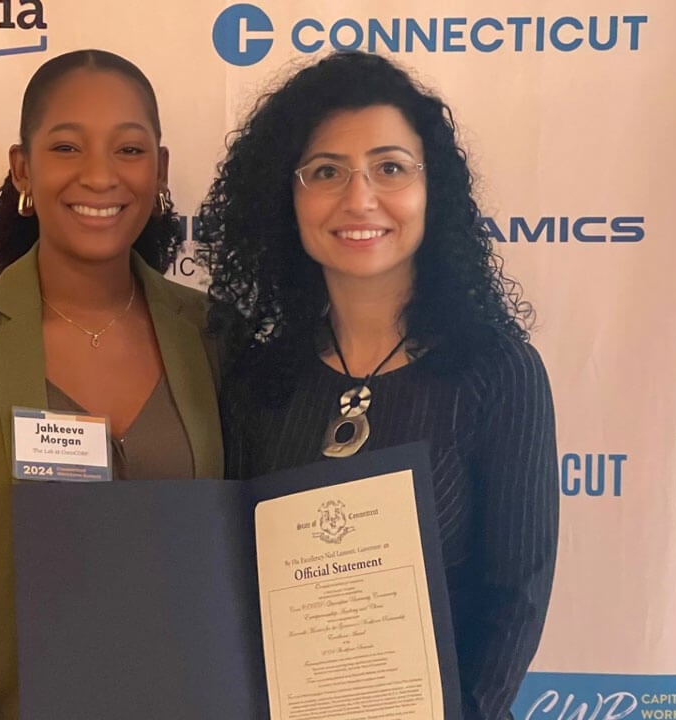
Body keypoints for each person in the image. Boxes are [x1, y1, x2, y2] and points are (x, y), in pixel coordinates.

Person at [197, 51, 558, 719]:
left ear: (431, 190)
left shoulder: (499, 374)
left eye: (390, 168)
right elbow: (236, 593)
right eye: (326, 171)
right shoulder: (256, 379)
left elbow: (516, 599)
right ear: (288, 194)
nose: (359, 198)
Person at [0, 49, 223, 720]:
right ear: (23, 168)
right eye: (67, 147)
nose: (100, 175)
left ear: (160, 169)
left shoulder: (214, 336)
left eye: (129, 148)